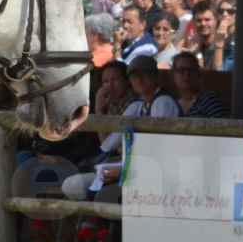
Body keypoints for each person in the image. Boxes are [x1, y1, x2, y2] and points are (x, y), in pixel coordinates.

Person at [62, 55, 179, 201]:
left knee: (100, 194)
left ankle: (95, 221)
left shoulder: (163, 101)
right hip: (133, 167)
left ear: (155, 76)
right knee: (71, 184)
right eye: (135, 76)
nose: (139, 80)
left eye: (145, 74)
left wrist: (124, 163)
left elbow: (158, 148)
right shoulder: (138, 105)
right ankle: (91, 220)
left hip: (157, 171)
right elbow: (108, 145)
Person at [170, 51, 228, 117]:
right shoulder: (172, 104)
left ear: (198, 74)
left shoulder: (209, 100)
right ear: (173, 75)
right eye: (181, 70)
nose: (186, 74)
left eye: (191, 70)